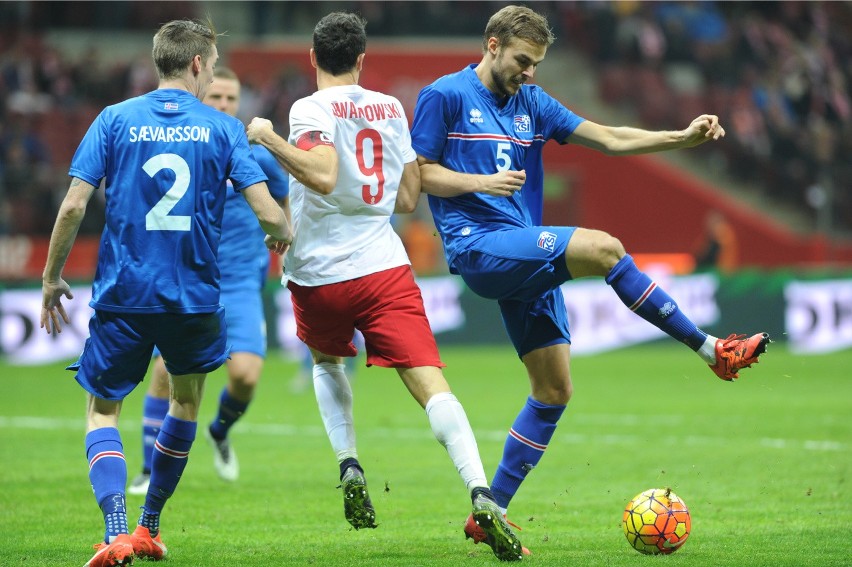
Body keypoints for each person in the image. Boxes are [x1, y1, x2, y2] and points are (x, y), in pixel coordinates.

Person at [409, 4, 770, 554]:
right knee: (605, 248)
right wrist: (479, 180)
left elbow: (608, 137)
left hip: (523, 253)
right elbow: (420, 174)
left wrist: (681, 138)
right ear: (492, 45)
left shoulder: (532, 102)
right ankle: (710, 349)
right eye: (522, 61)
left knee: (553, 390)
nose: (529, 73)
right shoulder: (445, 96)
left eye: (536, 64)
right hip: (477, 247)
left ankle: (490, 513)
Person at [246, 11, 524, 561]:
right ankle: (480, 491)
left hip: (318, 272)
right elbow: (405, 198)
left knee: (327, 363)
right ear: (362, 59)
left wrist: (269, 138)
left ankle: (348, 462)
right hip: (382, 266)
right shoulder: (391, 107)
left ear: (312, 57)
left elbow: (322, 174)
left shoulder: (308, 108)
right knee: (430, 384)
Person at [39, 19, 291, 567]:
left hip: (123, 295)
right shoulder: (222, 129)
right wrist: (282, 234)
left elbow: (74, 206)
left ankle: (114, 529)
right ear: (199, 64)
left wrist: (52, 277)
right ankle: (149, 527)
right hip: (194, 298)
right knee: (185, 399)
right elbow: (269, 211)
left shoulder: (114, 119)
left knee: (103, 411)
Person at [127, 66, 290, 495]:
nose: (223, 105)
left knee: (246, 377)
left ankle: (219, 430)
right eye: (215, 97)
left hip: (238, 282)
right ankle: (148, 469)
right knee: (164, 370)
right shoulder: (184, 146)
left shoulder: (256, 154)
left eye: (231, 100)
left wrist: (284, 236)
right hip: (189, 276)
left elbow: (282, 197)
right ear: (200, 95)